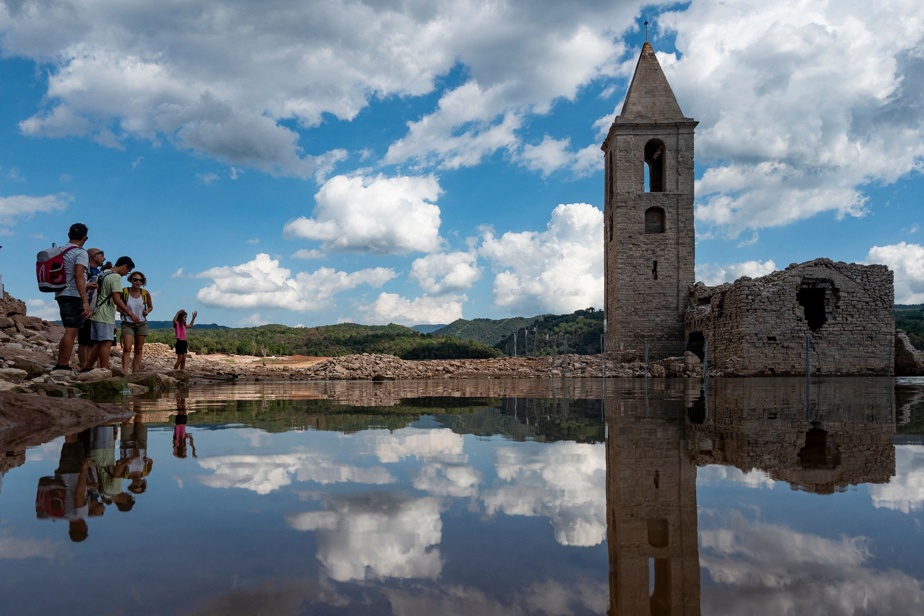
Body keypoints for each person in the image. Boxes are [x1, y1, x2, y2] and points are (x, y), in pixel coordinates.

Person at [83, 256, 139, 371]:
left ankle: (88, 367)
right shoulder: (116, 277)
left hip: (96, 311)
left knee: (99, 343)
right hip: (105, 313)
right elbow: (116, 299)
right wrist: (130, 313)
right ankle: (104, 369)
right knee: (106, 342)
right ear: (124, 266)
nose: (126, 274)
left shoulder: (103, 273)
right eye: (128, 271)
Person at [52, 223, 91, 371]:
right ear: (84, 238)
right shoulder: (80, 253)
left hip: (60, 292)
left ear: (69, 235)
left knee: (69, 329)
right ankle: (62, 365)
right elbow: (79, 275)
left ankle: (62, 363)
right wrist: (85, 301)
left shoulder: (60, 250)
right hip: (73, 294)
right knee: (71, 331)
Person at [77, 247, 106, 369]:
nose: (104, 258)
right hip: (84, 305)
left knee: (91, 340)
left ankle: (88, 366)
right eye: (102, 255)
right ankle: (84, 366)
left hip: (94, 309)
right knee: (84, 339)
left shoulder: (98, 272)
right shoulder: (85, 270)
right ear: (94, 256)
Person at [120, 271, 153, 373]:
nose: (138, 282)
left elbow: (151, 306)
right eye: (135, 280)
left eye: (140, 280)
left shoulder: (145, 293)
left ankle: (135, 371)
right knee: (127, 348)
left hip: (141, 323)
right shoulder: (124, 292)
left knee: (138, 349)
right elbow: (115, 304)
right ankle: (125, 371)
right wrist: (123, 311)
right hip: (127, 323)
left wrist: (147, 311)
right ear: (131, 280)